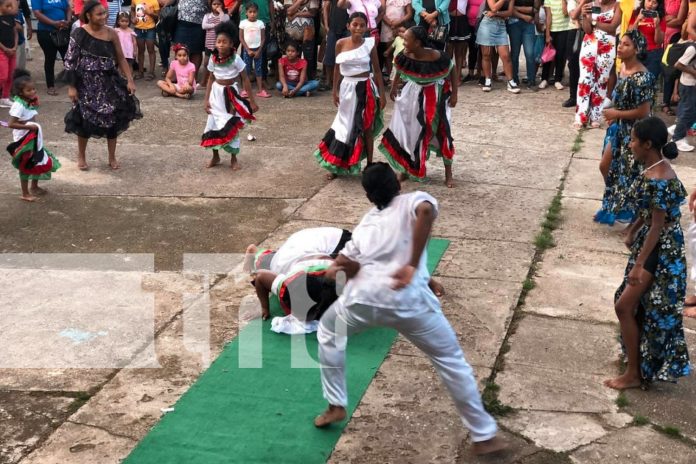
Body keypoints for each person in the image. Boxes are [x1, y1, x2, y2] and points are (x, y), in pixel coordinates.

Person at [312, 163, 505, 457]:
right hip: (408, 301)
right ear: (398, 184)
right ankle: (484, 436)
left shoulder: (365, 225)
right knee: (450, 360)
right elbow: (426, 212)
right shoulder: (412, 201)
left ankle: (336, 405)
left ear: (367, 196)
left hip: (364, 299)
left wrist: (341, 268)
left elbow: (341, 267)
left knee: (328, 331)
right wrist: (413, 266)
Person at [606, 116, 691, 390]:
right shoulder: (654, 167)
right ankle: (636, 363)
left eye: (633, 140)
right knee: (632, 305)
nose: (630, 145)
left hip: (660, 251)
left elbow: (657, 226)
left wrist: (639, 265)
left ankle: (633, 374)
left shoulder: (659, 178)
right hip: (653, 243)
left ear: (647, 144)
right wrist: (632, 230)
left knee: (624, 305)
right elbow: (653, 212)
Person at [63, 0, 141, 171]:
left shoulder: (111, 33)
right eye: (99, 14)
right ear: (88, 16)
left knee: (113, 119)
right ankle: (81, 156)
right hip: (85, 83)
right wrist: (72, 86)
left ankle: (112, 157)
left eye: (105, 13)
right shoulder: (79, 33)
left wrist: (129, 79)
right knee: (83, 120)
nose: (104, 16)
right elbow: (70, 62)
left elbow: (121, 58)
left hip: (108, 81)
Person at [379, 26, 456, 187]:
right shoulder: (405, 55)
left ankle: (448, 174)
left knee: (441, 132)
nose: (403, 42)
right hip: (412, 95)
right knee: (409, 132)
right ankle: (405, 169)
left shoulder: (437, 56)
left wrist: (454, 94)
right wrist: (393, 87)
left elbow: (452, 70)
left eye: (407, 39)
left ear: (418, 43)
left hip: (435, 96)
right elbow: (399, 69)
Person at [313, 12, 385, 179]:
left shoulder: (370, 44)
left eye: (362, 25)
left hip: (366, 88)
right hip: (347, 88)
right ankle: (335, 165)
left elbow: (377, 70)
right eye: (355, 25)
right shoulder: (340, 43)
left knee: (366, 127)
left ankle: (369, 165)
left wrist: (382, 94)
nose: (358, 28)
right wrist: (335, 90)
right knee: (343, 126)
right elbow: (338, 68)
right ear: (348, 26)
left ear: (367, 27)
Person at [595, 30, 654, 225]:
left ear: (637, 50)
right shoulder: (622, 68)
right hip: (619, 128)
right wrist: (616, 114)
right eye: (620, 43)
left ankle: (636, 214)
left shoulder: (643, 77)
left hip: (636, 132)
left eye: (626, 44)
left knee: (631, 175)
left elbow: (644, 111)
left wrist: (616, 114)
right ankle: (618, 203)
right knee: (606, 166)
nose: (620, 47)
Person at [201, 20, 259, 169]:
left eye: (224, 42)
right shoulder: (213, 59)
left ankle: (234, 158)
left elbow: (245, 78)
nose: (220, 45)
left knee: (230, 124)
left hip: (230, 95)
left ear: (231, 44)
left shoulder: (236, 59)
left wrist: (251, 101)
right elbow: (210, 79)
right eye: (218, 42)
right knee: (213, 125)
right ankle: (215, 156)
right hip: (216, 95)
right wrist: (206, 99)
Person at [6, 69, 61, 202]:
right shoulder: (19, 105)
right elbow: (11, 124)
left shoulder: (28, 101)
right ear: (20, 92)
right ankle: (25, 193)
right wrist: (28, 127)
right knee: (26, 165)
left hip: (34, 137)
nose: (33, 92)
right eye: (29, 90)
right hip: (24, 140)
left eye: (34, 89)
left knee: (37, 159)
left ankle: (34, 186)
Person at [574, 0, 621, 129]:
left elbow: (612, 28)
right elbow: (588, 30)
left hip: (607, 46)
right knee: (584, 79)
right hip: (590, 44)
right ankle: (580, 116)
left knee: (602, 80)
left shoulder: (617, 6)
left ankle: (595, 116)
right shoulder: (591, 5)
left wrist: (594, 22)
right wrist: (585, 17)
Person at [476, 0, 521, 93]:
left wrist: (496, 13)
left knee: (506, 56)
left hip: (501, 26)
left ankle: (510, 81)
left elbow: (509, 12)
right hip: (487, 24)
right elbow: (493, 7)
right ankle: (487, 80)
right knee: (486, 54)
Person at [32, 0, 70, 96]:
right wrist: (53, 23)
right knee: (50, 58)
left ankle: (73, 82)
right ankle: (50, 85)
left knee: (68, 58)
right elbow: (37, 13)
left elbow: (68, 8)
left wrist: (68, 20)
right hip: (46, 32)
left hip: (62, 31)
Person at [540, 0, 575, 90]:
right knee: (548, 56)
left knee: (560, 56)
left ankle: (557, 80)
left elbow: (565, 13)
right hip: (552, 30)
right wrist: (547, 34)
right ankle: (544, 79)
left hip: (564, 30)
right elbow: (548, 16)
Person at [628, 0, 665, 83]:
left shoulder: (660, 17)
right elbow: (630, 34)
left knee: (648, 84)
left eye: (654, 2)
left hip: (653, 53)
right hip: (637, 52)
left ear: (658, 5)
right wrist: (637, 20)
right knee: (634, 83)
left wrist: (657, 26)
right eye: (648, 1)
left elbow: (658, 41)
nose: (650, 4)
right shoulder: (636, 13)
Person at [240, 2, 271, 97]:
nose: (252, 14)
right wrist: (247, 50)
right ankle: (245, 90)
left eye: (254, 12)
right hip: (247, 50)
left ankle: (260, 90)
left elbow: (263, 38)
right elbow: (241, 37)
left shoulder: (260, 23)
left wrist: (259, 50)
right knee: (247, 70)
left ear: (257, 12)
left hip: (258, 49)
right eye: (250, 12)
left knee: (259, 70)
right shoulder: (243, 23)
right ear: (246, 13)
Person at [671, 38, 696, 151]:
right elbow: (679, 65)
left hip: (691, 84)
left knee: (687, 111)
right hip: (688, 85)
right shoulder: (692, 49)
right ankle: (677, 139)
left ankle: (677, 128)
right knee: (688, 112)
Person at [507, 0, 540, 88]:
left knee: (530, 53)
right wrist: (524, 15)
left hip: (529, 24)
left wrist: (517, 8)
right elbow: (510, 10)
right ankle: (514, 79)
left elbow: (535, 9)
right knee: (514, 53)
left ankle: (531, 80)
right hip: (514, 23)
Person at [174, 0, 209, 77]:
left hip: (198, 24)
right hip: (181, 23)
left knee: (196, 51)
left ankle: (192, 76)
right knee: (179, 49)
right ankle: (180, 75)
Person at [201, 0, 230, 87]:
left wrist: (221, 12)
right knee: (206, 62)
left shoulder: (225, 16)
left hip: (220, 45)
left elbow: (223, 22)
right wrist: (214, 25)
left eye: (219, 4)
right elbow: (204, 26)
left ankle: (218, 80)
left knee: (219, 62)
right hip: (209, 43)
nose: (216, 6)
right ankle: (203, 81)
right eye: (214, 4)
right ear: (211, 5)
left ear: (222, 5)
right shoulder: (207, 16)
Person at [323, 0, 348, 89]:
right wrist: (326, 25)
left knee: (345, 57)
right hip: (333, 27)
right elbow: (325, 7)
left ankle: (341, 81)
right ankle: (328, 81)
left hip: (347, 28)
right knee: (329, 54)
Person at [131, 0, 159, 80]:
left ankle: (151, 72)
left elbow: (158, 16)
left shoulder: (154, 1)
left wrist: (149, 13)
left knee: (151, 50)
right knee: (140, 50)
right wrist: (133, 18)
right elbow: (133, 9)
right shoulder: (135, 0)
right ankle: (140, 72)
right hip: (138, 29)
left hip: (150, 29)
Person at [0, 0, 17, 108]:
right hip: (2, 51)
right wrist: (5, 48)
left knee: (11, 75)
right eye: (8, 6)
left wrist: (15, 47)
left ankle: (5, 98)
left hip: (12, 50)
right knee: (3, 76)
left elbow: (15, 32)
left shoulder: (10, 18)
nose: (11, 8)